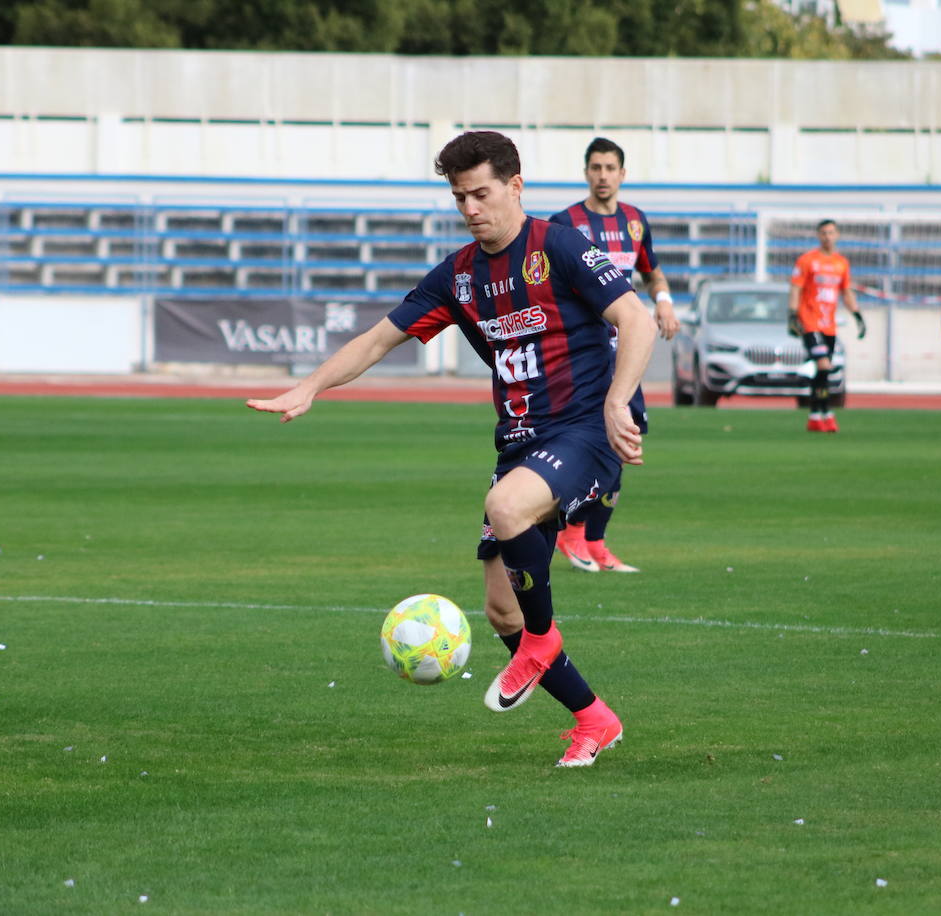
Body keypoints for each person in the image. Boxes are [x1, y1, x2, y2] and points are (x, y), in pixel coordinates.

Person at [247, 130, 654, 768]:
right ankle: (593, 718)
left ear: (515, 186)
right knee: (500, 608)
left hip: (584, 430)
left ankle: (542, 642)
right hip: (519, 441)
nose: (470, 208)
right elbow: (379, 339)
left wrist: (616, 399)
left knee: (507, 507)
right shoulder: (460, 276)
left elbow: (638, 318)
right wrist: (309, 388)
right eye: (460, 197)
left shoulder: (560, 245)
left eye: (481, 194)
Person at [547, 137, 679, 575]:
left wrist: (663, 301)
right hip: (584, 351)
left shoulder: (636, 222)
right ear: (586, 172)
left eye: (610, 168)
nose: (603, 175)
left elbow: (651, 270)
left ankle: (595, 539)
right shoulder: (564, 224)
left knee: (627, 437)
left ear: (623, 174)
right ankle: (570, 530)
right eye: (596, 167)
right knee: (599, 436)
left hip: (626, 352)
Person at [788, 219, 865, 433]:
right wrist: (793, 315)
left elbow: (846, 292)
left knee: (823, 372)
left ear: (837, 235)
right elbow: (795, 289)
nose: (827, 237)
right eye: (823, 233)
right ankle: (827, 414)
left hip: (828, 326)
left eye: (831, 233)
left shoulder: (841, 263)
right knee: (823, 366)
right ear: (818, 236)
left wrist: (857, 315)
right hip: (810, 322)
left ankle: (815, 416)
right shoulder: (807, 261)